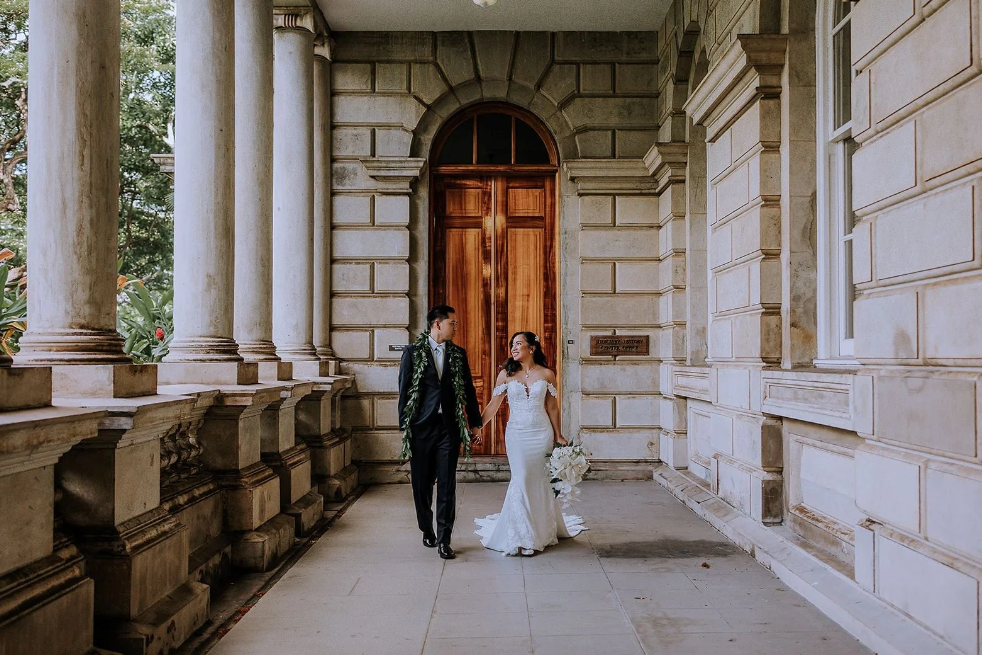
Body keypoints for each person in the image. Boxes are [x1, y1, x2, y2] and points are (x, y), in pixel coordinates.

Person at [474, 331, 587, 555]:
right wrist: (478, 427)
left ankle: (538, 529)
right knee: (522, 477)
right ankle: (521, 535)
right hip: (517, 434)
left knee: (538, 481)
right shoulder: (506, 374)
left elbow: (552, 407)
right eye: (512, 345)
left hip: (541, 433)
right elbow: (493, 405)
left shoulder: (546, 374)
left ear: (531, 348)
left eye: (518, 344)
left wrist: (558, 434)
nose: (513, 348)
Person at [397, 305, 482, 560]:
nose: (455, 327)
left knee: (447, 485)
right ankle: (426, 527)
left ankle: (445, 539)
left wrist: (474, 423)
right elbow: (404, 390)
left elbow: (468, 390)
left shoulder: (458, 354)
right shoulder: (413, 353)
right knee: (421, 485)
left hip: (449, 428)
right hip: (422, 428)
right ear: (437, 324)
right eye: (452, 323)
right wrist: (405, 429)